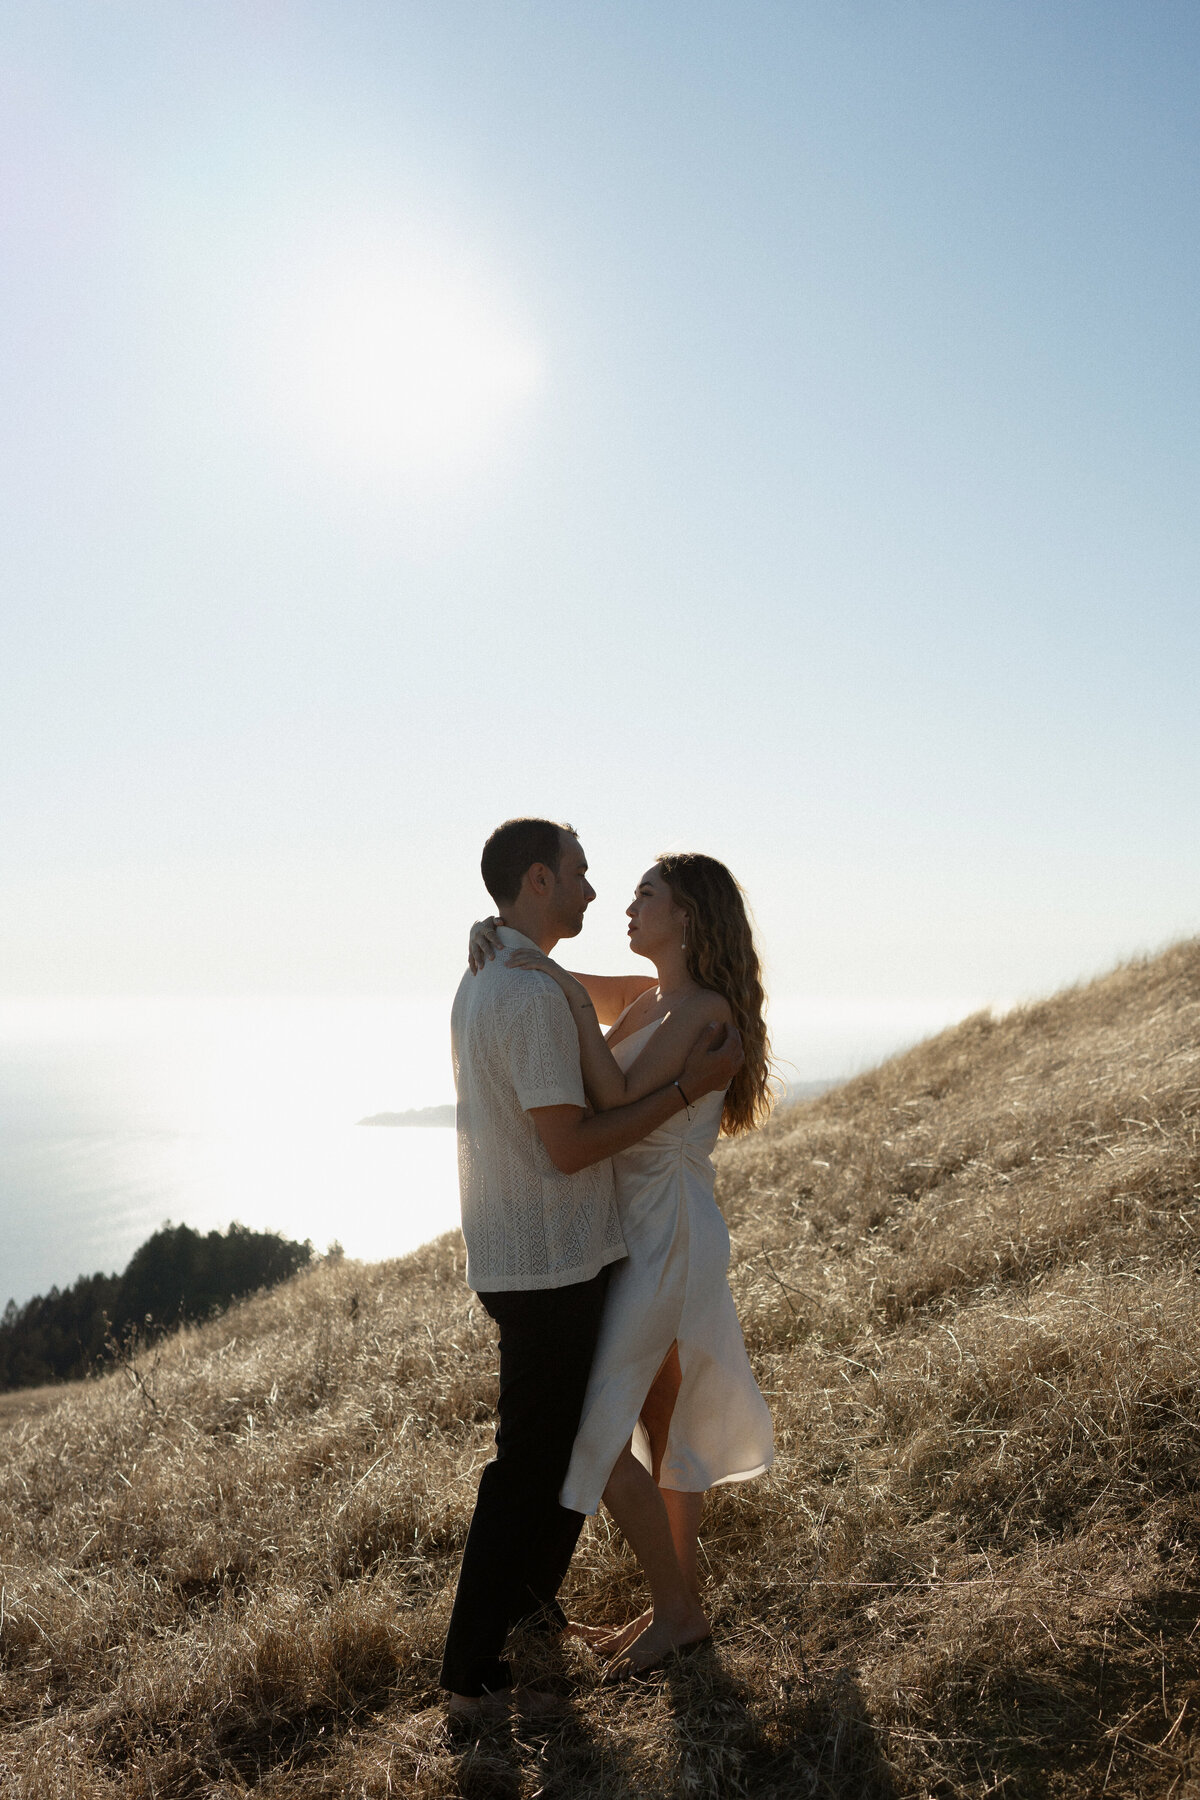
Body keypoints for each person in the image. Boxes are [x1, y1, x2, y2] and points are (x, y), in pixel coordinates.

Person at [442, 819, 743, 1720]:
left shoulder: (677, 1007)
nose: (605, 894)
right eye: (583, 875)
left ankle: (650, 1613)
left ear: (688, 919)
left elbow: (602, 1076)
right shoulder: (591, 991)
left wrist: (505, 946)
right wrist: (503, 941)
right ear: (538, 881)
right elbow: (574, 1067)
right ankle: (502, 1662)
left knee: (610, 1431)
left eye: (639, 893)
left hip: (642, 1234)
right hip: (586, 1244)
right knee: (588, 1441)